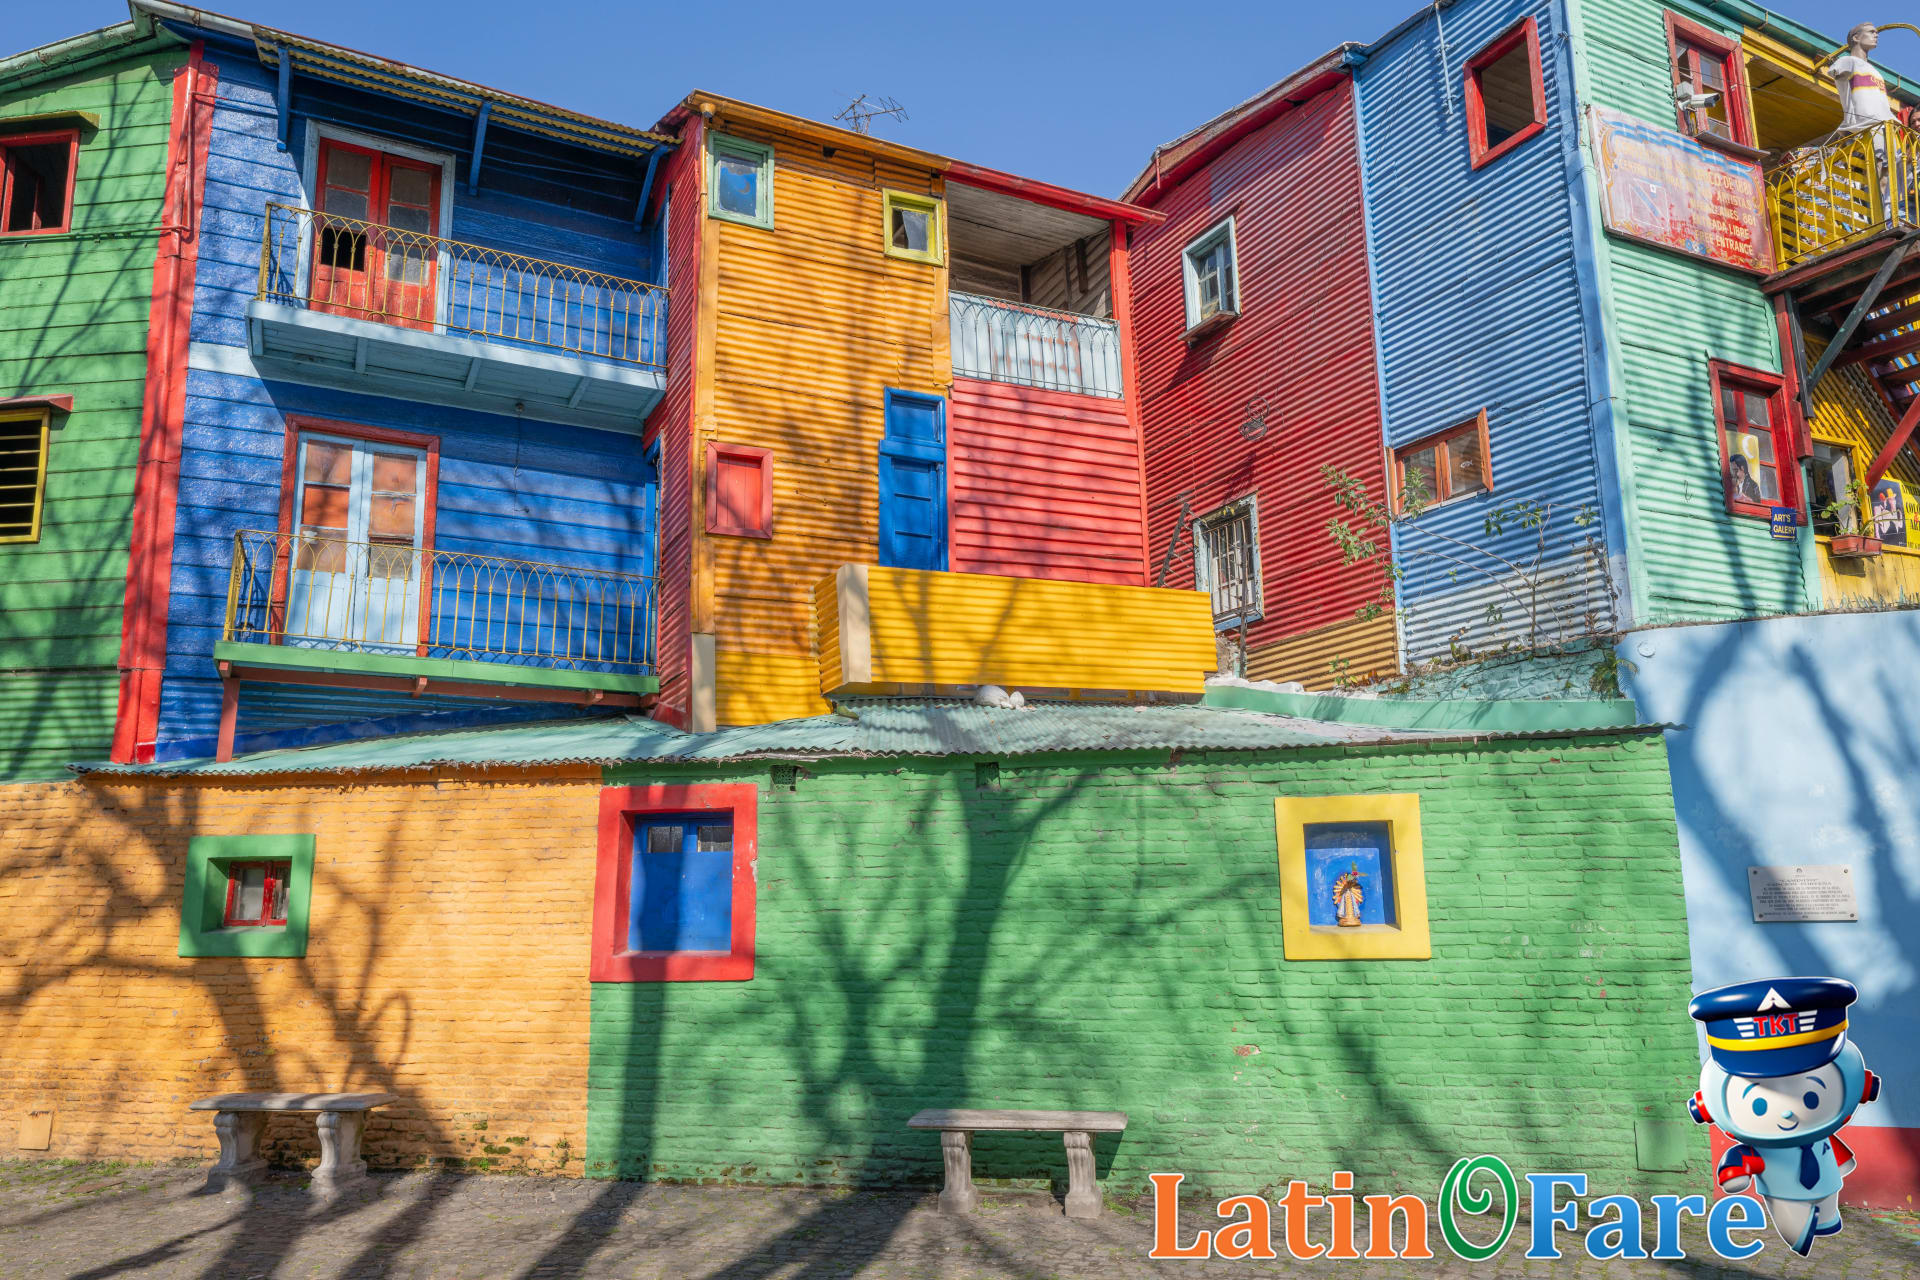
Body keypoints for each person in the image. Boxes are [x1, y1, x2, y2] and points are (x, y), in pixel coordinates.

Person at [1687, 978, 1883, 1257]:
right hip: (1782, 1195)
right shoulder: (1756, 1144)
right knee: (1796, 1228)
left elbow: (1832, 1151)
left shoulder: (1823, 1130)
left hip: (1827, 1184)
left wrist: (1842, 1162)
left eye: (1810, 1097)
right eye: (1760, 1103)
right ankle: (1800, 1236)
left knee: (1827, 1215)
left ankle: (1826, 1223)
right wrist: (1736, 1173)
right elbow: (1739, 1162)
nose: (1788, 1111)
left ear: (1863, 1087)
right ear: (1706, 1105)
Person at [1830, 24, 1896, 131]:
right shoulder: (1847, 61)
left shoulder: (1876, 72)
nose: (1876, 35)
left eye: (1876, 32)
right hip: (1862, 127)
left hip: (1886, 126)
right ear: (1856, 38)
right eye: (1871, 32)